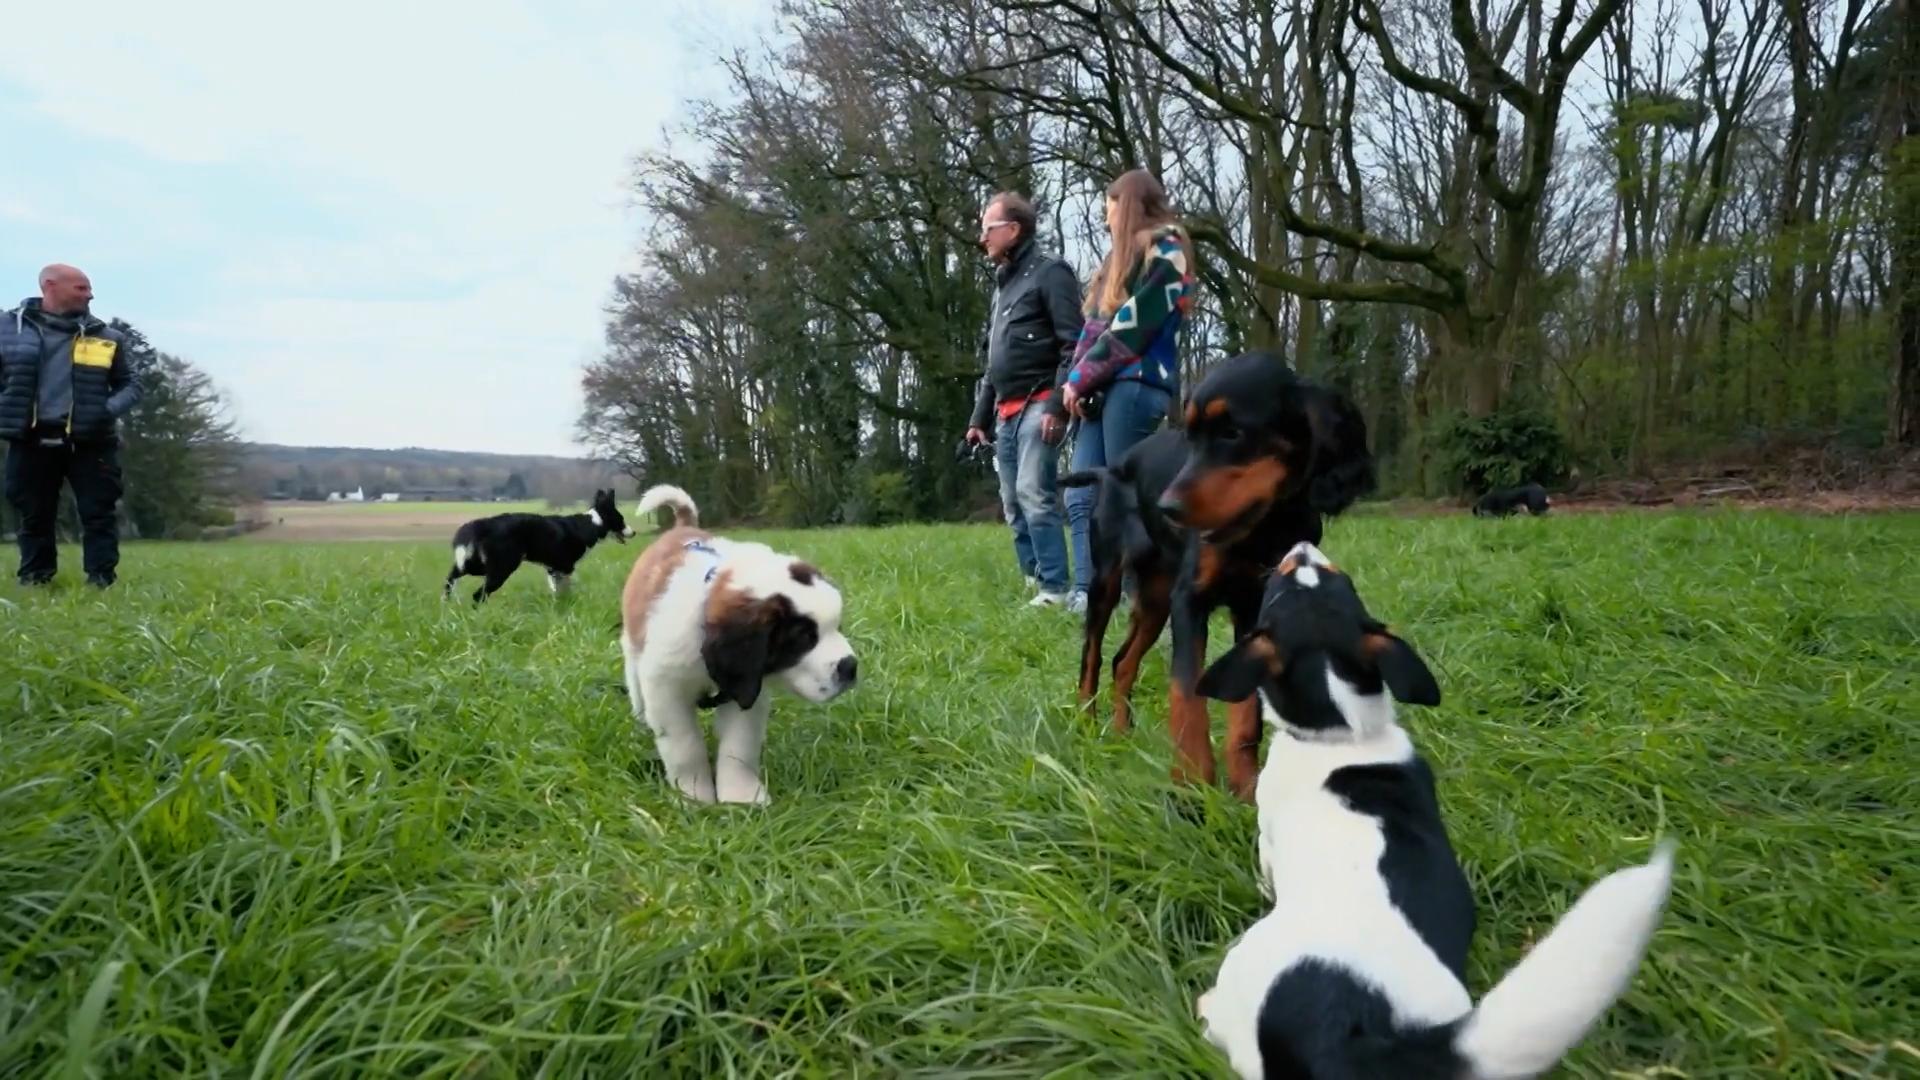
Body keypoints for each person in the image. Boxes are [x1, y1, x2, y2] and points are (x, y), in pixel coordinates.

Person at [1060, 169, 1197, 610]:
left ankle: (1146, 593)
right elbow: (1094, 328)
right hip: (1103, 389)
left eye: (1111, 210)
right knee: (1082, 493)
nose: (1105, 220)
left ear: (1131, 206)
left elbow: (1133, 327)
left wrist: (1082, 378)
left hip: (1137, 387)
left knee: (1130, 497)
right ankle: (1092, 590)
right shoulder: (1112, 265)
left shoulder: (1168, 250)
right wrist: (1074, 382)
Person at [964, 191, 1085, 609]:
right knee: (1013, 502)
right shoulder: (1002, 288)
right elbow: (994, 363)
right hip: (1005, 412)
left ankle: (1056, 587)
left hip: (1040, 403)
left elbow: (1074, 345)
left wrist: (1057, 406)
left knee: (1035, 493)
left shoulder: (1052, 274)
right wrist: (979, 419)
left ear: (1013, 230)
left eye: (988, 229)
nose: (982, 238)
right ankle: (1035, 580)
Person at [0, 264, 141, 588]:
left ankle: (101, 581)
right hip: (29, 438)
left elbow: (131, 385)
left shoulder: (107, 337)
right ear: (50, 286)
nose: (90, 294)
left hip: (90, 441)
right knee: (34, 516)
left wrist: (106, 411)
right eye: (81, 288)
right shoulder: (7, 329)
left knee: (99, 514)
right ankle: (35, 580)